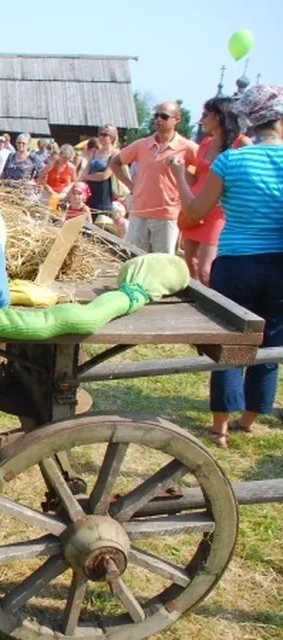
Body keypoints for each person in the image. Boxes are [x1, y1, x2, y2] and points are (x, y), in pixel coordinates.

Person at [168, 84, 283, 448]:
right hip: (279, 264)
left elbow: (196, 212)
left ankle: (220, 426)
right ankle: (250, 417)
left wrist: (181, 182)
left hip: (235, 262)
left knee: (230, 338)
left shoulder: (231, 161)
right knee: (271, 341)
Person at [110, 101, 198, 254]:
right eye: (156, 115)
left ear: (177, 119)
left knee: (162, 263)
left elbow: (205, 171)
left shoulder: (188, 147)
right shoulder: (142, 145)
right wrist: (131, 186)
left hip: (167, 214)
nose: (158, 119)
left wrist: (187, 184)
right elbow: (115, 162)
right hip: (139, 212)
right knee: (134, 260)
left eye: (164, 116)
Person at [179, 97, 245, 286]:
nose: (201, 119)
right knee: (190, 265)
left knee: (206, 270)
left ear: (218, 117)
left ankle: (214, 309)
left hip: (218, 212)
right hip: (195, 207)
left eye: (205, 114)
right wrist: (181, 170)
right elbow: (197, 177)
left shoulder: (242, 144)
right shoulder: (206, 143)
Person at [79, 125, 119, 214]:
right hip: (89, 191)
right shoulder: (94, 152)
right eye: (100, 134)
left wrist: (87, 177)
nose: (101, 137)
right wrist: (79, 182)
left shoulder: (115, 153)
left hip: (104, 193)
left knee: (101, 220)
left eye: (105, 135)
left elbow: (105, 175)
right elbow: (86, 169)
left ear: (112, 137)